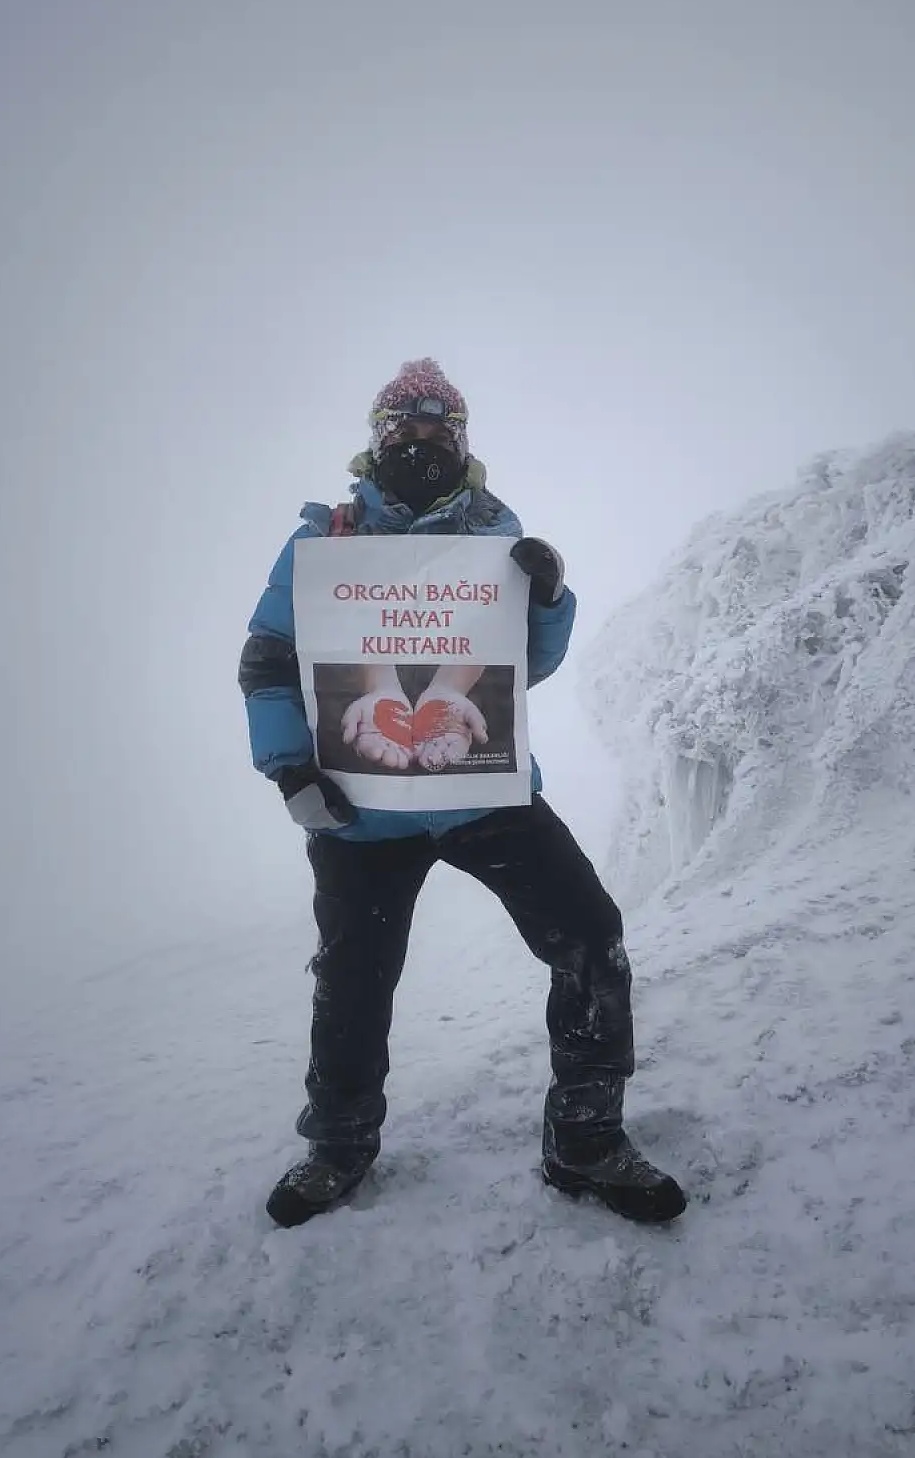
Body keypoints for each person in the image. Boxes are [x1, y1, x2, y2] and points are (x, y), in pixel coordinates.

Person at [239, 358, 686, 1228]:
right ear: (375, 442)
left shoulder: (496, 533)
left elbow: (527, 667)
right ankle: (338, 1148)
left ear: (464, 440)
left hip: (484, 793)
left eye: (440, 429)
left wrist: (549, 595)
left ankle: (587, 1143)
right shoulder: (320, 543)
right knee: (353, 985)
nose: (422, 442)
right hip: (360, 810)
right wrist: (289, 769)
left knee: (591, 937)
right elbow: (265, 658)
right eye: (402, 429)